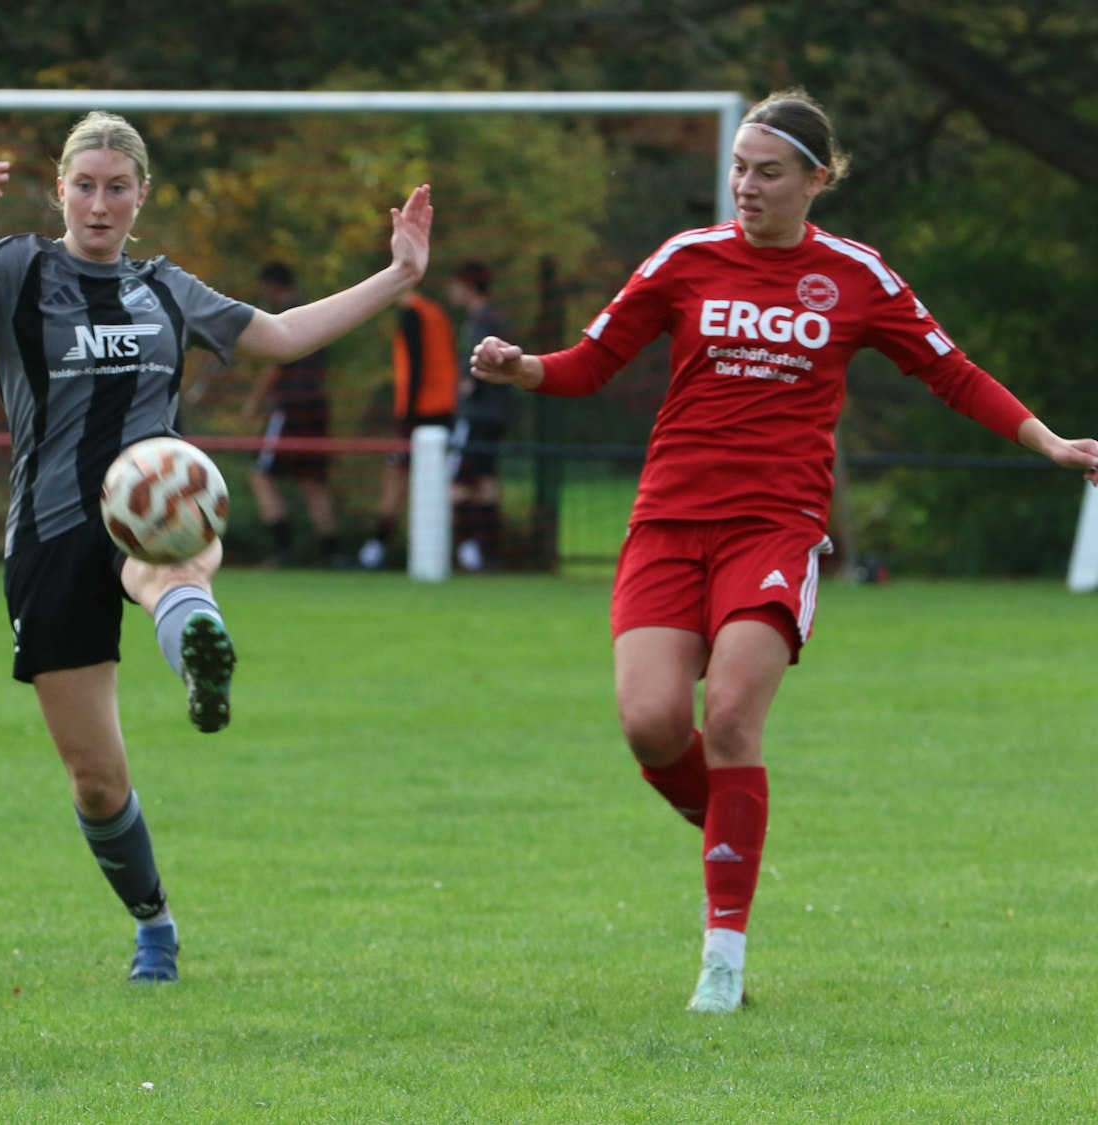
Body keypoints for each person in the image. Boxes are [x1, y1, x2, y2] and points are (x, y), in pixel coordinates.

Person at [469, 88, 1098, 1014]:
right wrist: (524, 368)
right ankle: (733, 825)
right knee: (650, 723)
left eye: (768, 172)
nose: (747, 187)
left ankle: (722, 957)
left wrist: (1047, 441)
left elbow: (952, 372)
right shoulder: (685, 259)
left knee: (730, 719)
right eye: (738, 169)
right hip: (668, 521)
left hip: (774, 527)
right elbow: (591, 362)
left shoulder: (856, 276)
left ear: (816, 180)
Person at [0, 111, 431, 983]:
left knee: (169, 558)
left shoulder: (166, 288)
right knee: (97, 781)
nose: (100, 205)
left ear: (142, 196)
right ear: (60, 191)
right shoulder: (14, 270)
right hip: (50, 532)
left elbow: (284, 334)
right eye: (85, 187)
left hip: (150, 503)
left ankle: (198, 649)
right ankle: (154, 922)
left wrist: (399, 274)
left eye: (117, 188)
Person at [241, 261, 345, 568]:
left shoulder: (284, 316)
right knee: (313, 481)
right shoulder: (312, 311)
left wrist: (254, 402)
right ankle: (332, 553)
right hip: (317, 405)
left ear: (272, 286)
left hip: (291, 406)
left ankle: (284, 548)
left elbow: (276, 362)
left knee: (260, 474)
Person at [358, 280, 458, 569]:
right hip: (443, 408)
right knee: (439, 480)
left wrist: (407, 417)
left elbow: (416, 364)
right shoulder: (436, 312)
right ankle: (462, 546)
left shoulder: (412, 313)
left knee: (395, 478)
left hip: (420, 412)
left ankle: (377, 547)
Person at [447, 260, 512, 571]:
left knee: (456, 481)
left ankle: (467, 547)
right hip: (496, 413)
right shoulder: (497, 318)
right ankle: (489, 551)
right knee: (486, 478)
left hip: (476, 414)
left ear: (467, 286)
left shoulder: (479, 322)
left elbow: (477, 374)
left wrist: (466, 387)